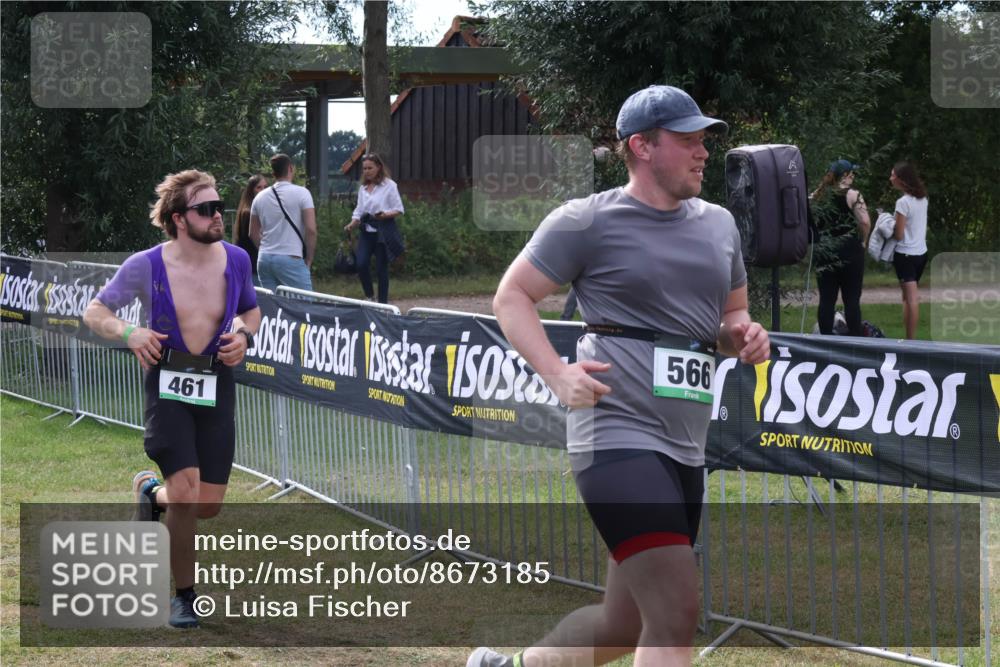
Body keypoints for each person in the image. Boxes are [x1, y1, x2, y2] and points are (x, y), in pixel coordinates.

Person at [470, 85, 770, 667]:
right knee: (676, 614)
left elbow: (732, 315)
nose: (703, 152)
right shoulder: (586, 221)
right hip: (616, 435)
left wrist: (744, 336)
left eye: (703, 140)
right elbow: (511, 298)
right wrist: (557, 375)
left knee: (621, 622)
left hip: (685, 445)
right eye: (688, 141)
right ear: (642, 146)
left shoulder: (719, 226)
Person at [82, 169, 261, 629]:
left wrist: (243, 335)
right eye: (207, 210)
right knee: (186, 492)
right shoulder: (147, 264)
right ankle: (183, 595)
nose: (218, 215)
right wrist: (129, 331)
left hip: (216, 384)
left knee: (206, 504)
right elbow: (95, 310)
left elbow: (250, 310)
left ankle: (150, 495)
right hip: (168, 383)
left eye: (220, 207)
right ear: (180, 219)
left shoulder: (237, 259)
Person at [810, 159, 871, 336]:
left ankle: (826, 339)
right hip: (849, 250)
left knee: (826, 300)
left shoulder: (818, 195)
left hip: (825, 251)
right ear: (845, 175)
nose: (853, 176)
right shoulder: (853, 195)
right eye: (852, 173)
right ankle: (855, 341)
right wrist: (863, 240)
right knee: (851, 300)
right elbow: (865, 221)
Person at [249, 153, 317, 292]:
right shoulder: (302, 193)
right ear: (291, 168)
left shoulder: (259, 197)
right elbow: (311, 230)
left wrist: (264, 250)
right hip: (290, 256)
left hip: (264, 259)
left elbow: (252, 233)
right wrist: (309, 259)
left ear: (273, 172)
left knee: (273, 307)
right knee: (303, 305)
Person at [343, 153, 405, 303]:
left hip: (383, 231)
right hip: (367, 231)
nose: (367, 171)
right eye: (364, 168)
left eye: (370, 168)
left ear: (379, 167)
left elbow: (399, 209)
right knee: (361, 263)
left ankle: (383, 303)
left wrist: (384, 215)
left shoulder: (390, 185)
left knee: (380, 269)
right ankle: (370, 296)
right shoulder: (363, 188)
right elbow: (359, 210)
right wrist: (352, 223)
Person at [889, 161, 929, 339]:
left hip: (905, 255)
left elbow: (898, 234)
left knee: (911, 299)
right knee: (906, 297)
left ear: (901, 179)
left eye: (892, 175)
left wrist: (886, 224)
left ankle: (911, 342)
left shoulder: (902, 202)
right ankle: (907, 339)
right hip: (921, 253)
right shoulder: (923, 199)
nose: (890, 178)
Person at [232, 173, 268, 286]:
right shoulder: (248, 212)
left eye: (265, 187)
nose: (263, 190)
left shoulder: (254, 209)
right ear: (251, 190)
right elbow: (256, 237)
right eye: (259, 187)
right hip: (252, 265)